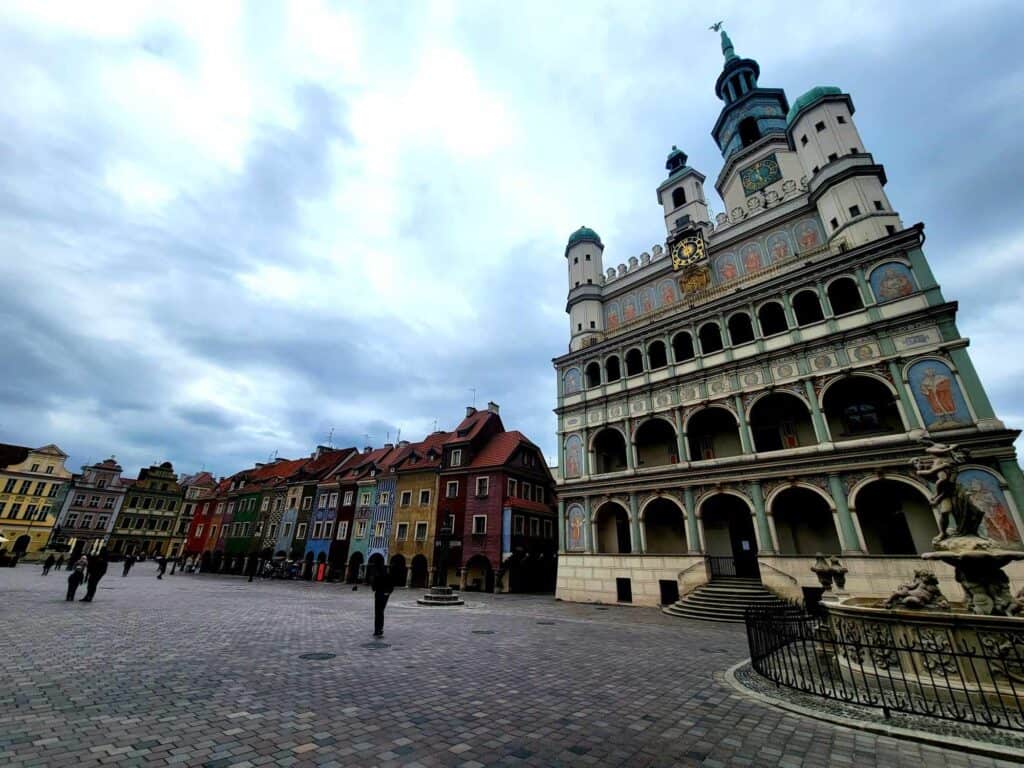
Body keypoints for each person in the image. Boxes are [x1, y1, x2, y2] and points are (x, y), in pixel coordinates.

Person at [371, 565, 394, 637]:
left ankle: (377, 630)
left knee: (378, 613)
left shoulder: (377, 576)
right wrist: (388, 593)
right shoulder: (388, 576)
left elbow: (373, 587)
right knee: (381, 612)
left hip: (378, 594)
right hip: (385, 595)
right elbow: (392, 586)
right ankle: (380, 629)